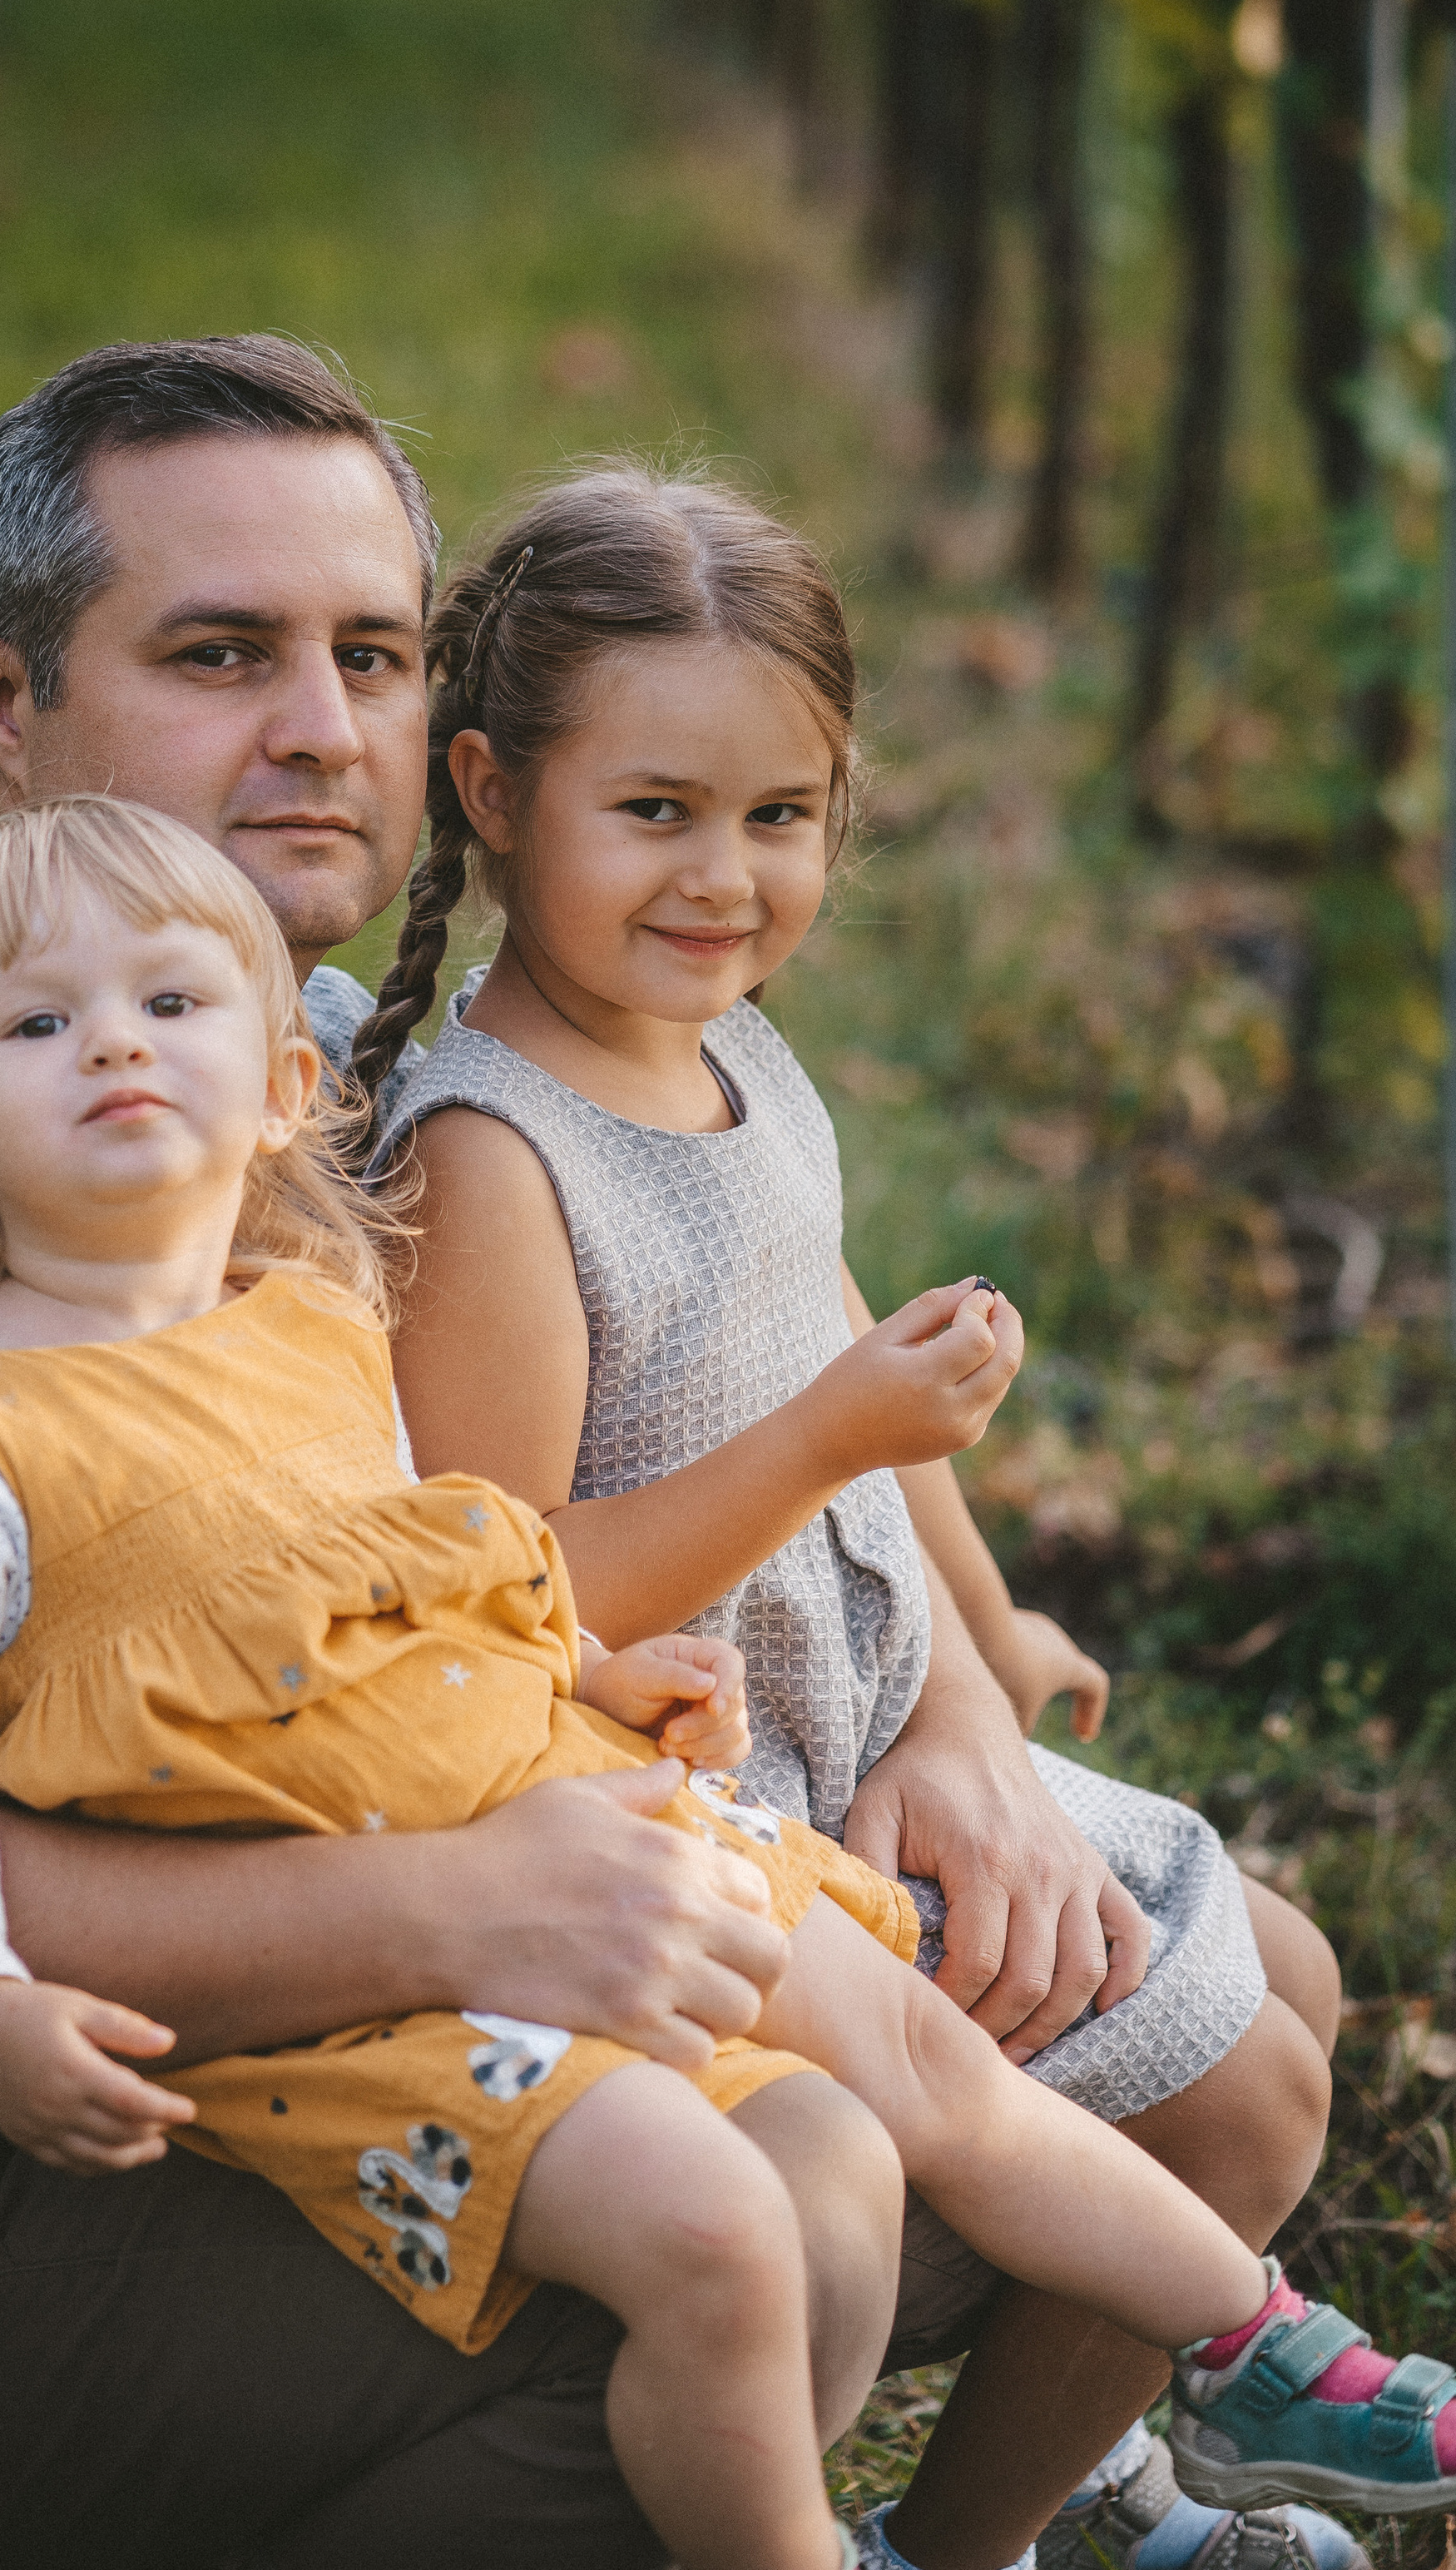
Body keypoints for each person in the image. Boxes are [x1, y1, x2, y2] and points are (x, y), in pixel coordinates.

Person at [0, 335, 1361, 2570]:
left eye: (371, 654)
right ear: (4, 692)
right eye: (219, 654)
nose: (319, 728)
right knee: (810, 2194)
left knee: (1234, 1997)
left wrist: (953, 1709)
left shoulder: (274, 1040)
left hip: (331, 1956)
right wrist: (461, 1902)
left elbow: (536, 1483)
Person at [0, 794, 1456, 2570]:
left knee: (920, 2052)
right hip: (379, 2000)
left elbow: (427, 1594)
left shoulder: (310, 1327)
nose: (112, 1047)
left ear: (286, 1086)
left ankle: (1249, 2342)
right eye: (38, 1025)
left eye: (170, 1005)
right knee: (718, 2227)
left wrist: (593, 1671)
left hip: (585, 1821)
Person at [365, 467, 1376, 2570]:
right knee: (1244, 2088)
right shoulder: (492, 1161)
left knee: (1289, 1971)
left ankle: (1072, 2451)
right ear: (491, 792)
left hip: (860, 1746)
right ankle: (967, 2538)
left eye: (780, 816)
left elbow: (841, 1355)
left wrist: (984, 1648)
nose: (723, 877)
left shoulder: (725, 1050)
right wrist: (829, 1438)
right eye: (654, 810)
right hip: (709, 1835)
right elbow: (512, 1606)